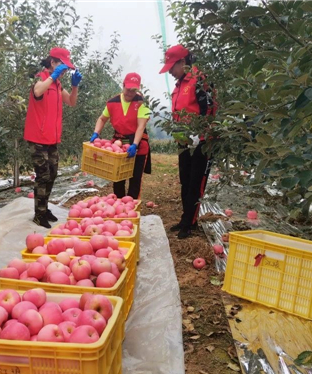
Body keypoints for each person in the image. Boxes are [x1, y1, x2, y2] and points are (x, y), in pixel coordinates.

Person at [159, 44, 217, 239]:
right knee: (185, 180)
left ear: (182, 61)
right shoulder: (180, 84)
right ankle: (186, 218)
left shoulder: (199, 79)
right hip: (184, 141)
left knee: (195, 181)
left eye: (172, 68)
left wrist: (201, 133)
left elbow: (209, 108)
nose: (170, 73)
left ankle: (191, 223)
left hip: (201, 142)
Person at [24, 47, 83, 228]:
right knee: (43, 175)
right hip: (38, 137)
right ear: (53, 63)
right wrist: (53, 76)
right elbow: (37, 92)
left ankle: (44, 208)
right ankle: (39, 213)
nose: (65, 71)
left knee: (52, 174)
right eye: (63, 66)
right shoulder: (41, 79)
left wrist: (74, 86)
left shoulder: (57, 85)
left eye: (67, 68)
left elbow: (71, 102)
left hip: (52, 138)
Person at [89, 72, 151, 199]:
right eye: (128, 89)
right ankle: (117, 202)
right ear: (123, 85)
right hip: (119, 143)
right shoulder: (113, 102)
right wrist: (96, 133)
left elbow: (141, 126)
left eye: (133, 90)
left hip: (137, 143)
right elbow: (102, 119)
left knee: (135, 178)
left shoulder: (141, 103)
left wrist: (135, 144)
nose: (130, 93)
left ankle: (131, 205)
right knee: (117, 177)